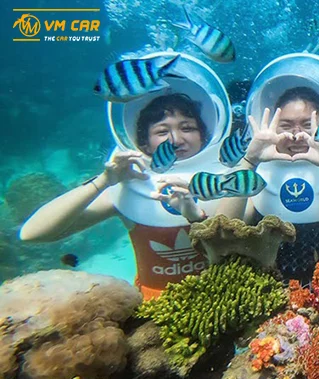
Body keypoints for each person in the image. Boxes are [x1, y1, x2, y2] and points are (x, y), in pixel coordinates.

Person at [20, 53, 231, 300]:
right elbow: (32, 233)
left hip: (219, 299)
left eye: (187, 128)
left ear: (204, 135)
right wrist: (103, 182)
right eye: (162, 131)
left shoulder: (224, 180)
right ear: (143, 141)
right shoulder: (131, 185)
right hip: (152, 309)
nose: (176, 139)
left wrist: (194, 215)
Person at [217, 54, 319, 283]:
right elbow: (222, 229)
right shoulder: (260, 170)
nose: (296, 134)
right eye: (285, 125)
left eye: (308, 125)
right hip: (264, 291)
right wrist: (250, 160)